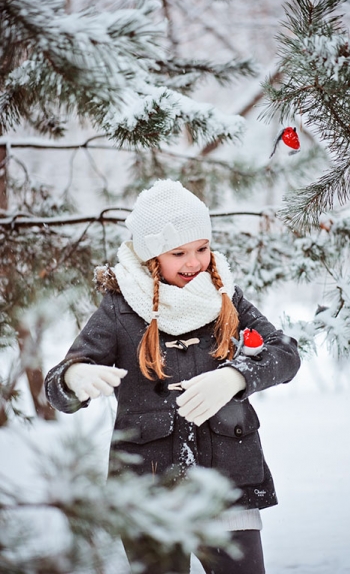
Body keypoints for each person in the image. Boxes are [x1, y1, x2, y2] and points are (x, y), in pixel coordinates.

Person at [45, 179, 301, 574]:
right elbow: (58, 383)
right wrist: (73, 377)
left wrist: (236, 376)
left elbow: (285, 353)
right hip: (148, 493)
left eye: (202, 248)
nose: (194, 262)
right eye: (178, 252)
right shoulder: (120, 309)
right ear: (151, 257)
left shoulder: (224, 297)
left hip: (229, 485)